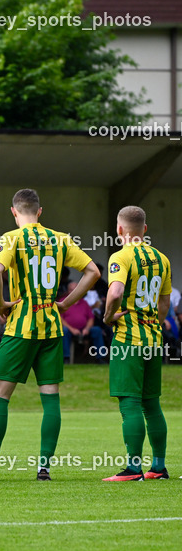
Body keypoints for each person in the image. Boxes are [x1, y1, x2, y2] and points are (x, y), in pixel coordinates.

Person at [0, 188, 98, 481]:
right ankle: (44, 469)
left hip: (21, 327)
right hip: (51, 326)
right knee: (50, 396)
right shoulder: (60, 239)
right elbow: (93, 272)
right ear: (39, 211)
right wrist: (66, 303)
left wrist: (1, 304)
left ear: (13, 212)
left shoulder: (11, 239)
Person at [102, 205, 172, 481]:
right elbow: (164, 301)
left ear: (119, 230)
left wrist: (108, 317)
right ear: (144, 229)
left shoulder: (120, 257)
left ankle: (133, 468)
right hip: (154, 339)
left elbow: (116, 291)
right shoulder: (162, 259)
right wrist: (154, 322)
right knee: (152, 404)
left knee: (129, 404)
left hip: (127, 339)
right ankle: (158, 467)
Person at [60, 281, 105, 362]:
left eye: (75, 289)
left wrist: (87, 329)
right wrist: (72, 329)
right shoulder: (63, 302)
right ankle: (66, 358)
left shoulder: (84, 302)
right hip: (69, 329)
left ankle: (100, 358)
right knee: (64, 331)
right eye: (71, 290)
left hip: (84, 329)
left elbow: (91, 318)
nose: (73, 292)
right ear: (68, 291)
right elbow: (60, 318)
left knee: (97, 330)